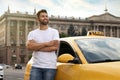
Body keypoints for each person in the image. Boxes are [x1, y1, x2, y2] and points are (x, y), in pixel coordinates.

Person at [26, 9, 59, 80]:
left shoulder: (54, 32)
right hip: (36, 66)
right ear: (37, 19)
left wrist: (36, 46)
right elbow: (29, 46)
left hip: (50, 67)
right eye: (43, 16)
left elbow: (55, 47)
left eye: (46, 16)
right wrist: (47, 43)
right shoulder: (32, 33)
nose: (45, 18)